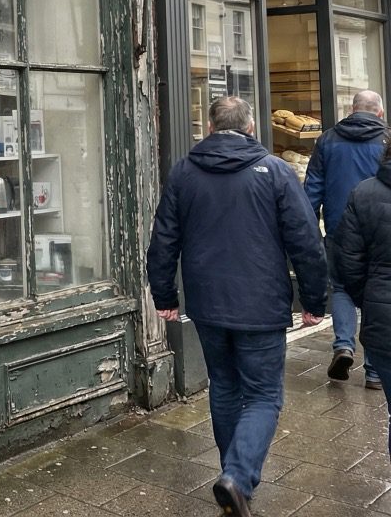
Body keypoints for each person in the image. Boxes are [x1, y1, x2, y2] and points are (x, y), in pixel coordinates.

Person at [147, 96, 327, 517]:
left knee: (225, 387)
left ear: (210, 128)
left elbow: (163, 240)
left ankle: (234, 482)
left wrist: (164, 296)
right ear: (250, 128)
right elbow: (307, 243)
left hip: (208, 304)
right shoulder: (276, 172)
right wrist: (315, 301)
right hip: (261, 304)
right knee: (264, 395)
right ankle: (238, 477)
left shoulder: (185, 173)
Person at [304, 89, 387, 389]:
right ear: (379, 112)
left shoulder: (328, 140)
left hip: (340, 228)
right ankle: (376, 372)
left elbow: (312, 188)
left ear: (352, 110)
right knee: (376, 292)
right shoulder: (386, 139)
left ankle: (343, 346)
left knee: (341, 287)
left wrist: (307, 229)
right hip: (381, 229)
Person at [332, 140, 391, 463]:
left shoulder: (365, 193)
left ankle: (367, 368)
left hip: (383, 319)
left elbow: (349, 264)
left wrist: (368, 301)